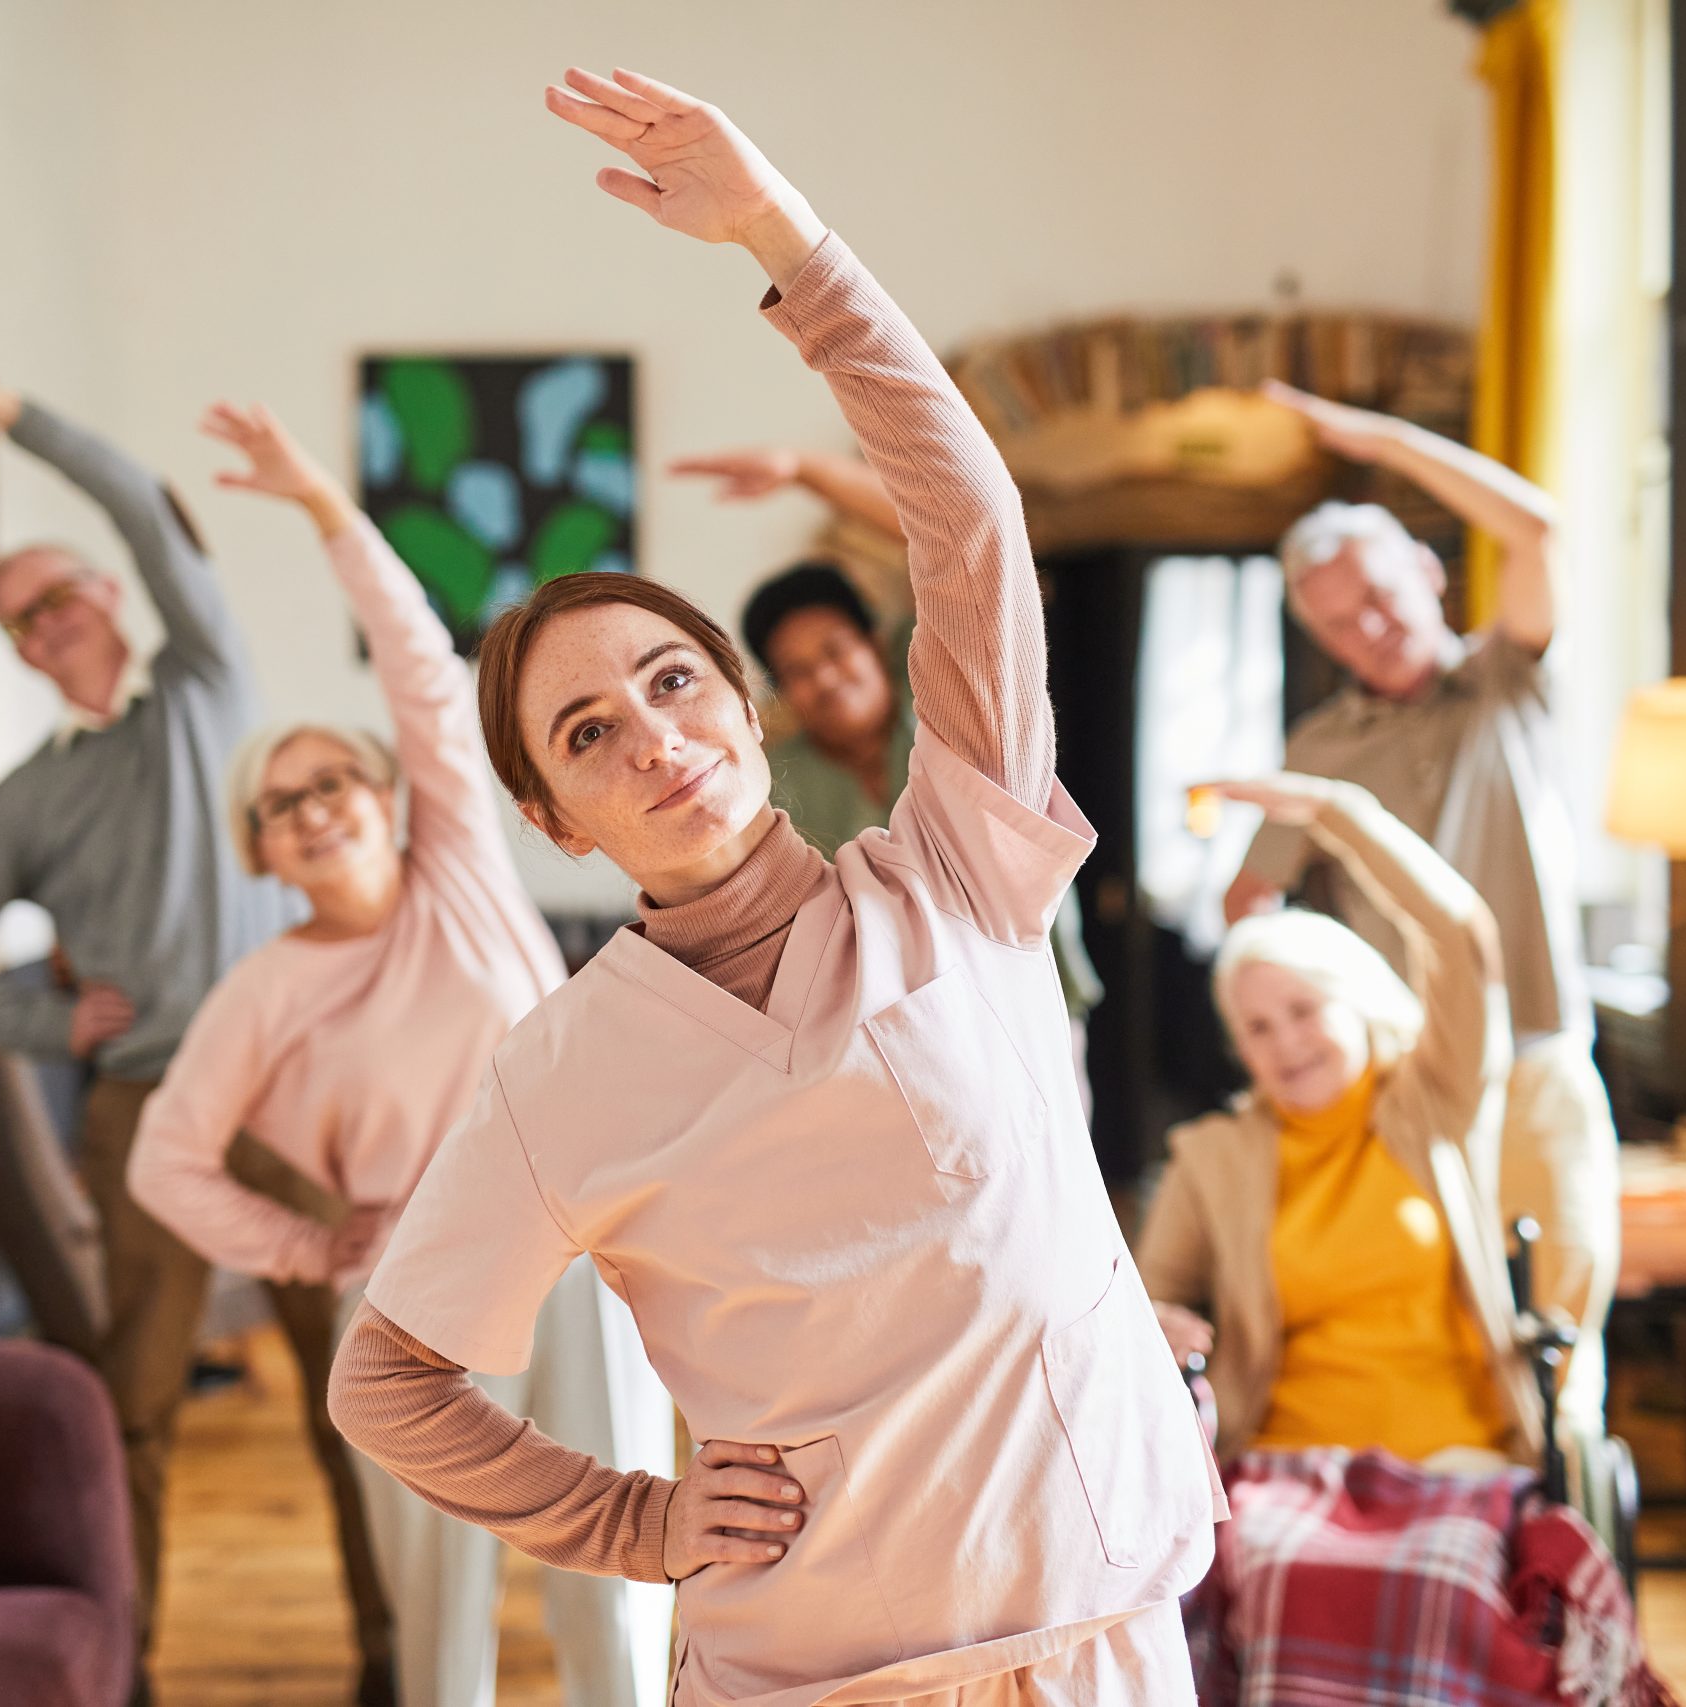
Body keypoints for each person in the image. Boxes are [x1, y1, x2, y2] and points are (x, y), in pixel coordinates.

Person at [330, 66, 1222, 1706]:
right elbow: (390, 1382)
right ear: (558, 820)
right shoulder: (558, 1070)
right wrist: (632, 1515)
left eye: (675, 683)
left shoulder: (955, 867)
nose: (655, 738)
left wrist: (782, 238)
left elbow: (967, 524)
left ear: (744, 705)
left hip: (1092, 1627)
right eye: (589, 732)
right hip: (817, 1665)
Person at [127, 401, 673, 1707]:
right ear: (260, 848)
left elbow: (424, 667)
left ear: (388, 795)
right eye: (279, 803)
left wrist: (324, 505)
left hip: (585, 1246)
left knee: (623, 1560)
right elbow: (167, 1160)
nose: (312, 808)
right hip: (419, 1283)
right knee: (439, 1602)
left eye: (334, 782)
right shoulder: (261, 990)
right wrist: (310, 1248)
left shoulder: (465, 878)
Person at [0, 373, 390, 1699]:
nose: (45, 626)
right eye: (20, 621)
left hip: (293, 1103)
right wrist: (46, 1020)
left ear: (111, 596)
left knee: (365, 1401)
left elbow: (154, 519)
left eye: (61, 596)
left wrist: (9, 418)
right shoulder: (35, 797)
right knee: (138, 1417)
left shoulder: (208, 690)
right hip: (144, 1115)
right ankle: (126, 1670)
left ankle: (399, 1653)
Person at [1221, 381, 1619, 1432]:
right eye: (1338, 622)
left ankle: (1567, 1548)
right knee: (1441, 1340)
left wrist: (1381, 443)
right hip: (1404, 1089)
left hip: (1535, 1057)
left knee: (1558, 1354)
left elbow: (1537, 528)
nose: (1368, 629)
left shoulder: (1506, 683)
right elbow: (1251, 903)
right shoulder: (1318, 750)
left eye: (1382, 597)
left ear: (1430, 574)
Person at [666, 458, 1105, 1113]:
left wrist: (806, 473)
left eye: (835, 649)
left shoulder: (940, 706)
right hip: (895, 1043)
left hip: (1030, 994)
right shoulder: (778, 783)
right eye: (798, 669)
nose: (826, 676)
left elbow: (957, 542)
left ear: (875, 644)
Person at [1138, 773, 1539, 1466]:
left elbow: (1463, 937)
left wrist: (1340, 815)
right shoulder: (1212, 1156)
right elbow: (1146, 1304)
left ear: (1358, 1003)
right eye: (1257, 1028)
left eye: (1304, 1010)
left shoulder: (1435, 1101)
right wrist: (1155, 1325)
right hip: (1280, 1467)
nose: (1286, 1043)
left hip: (1450, 1463)